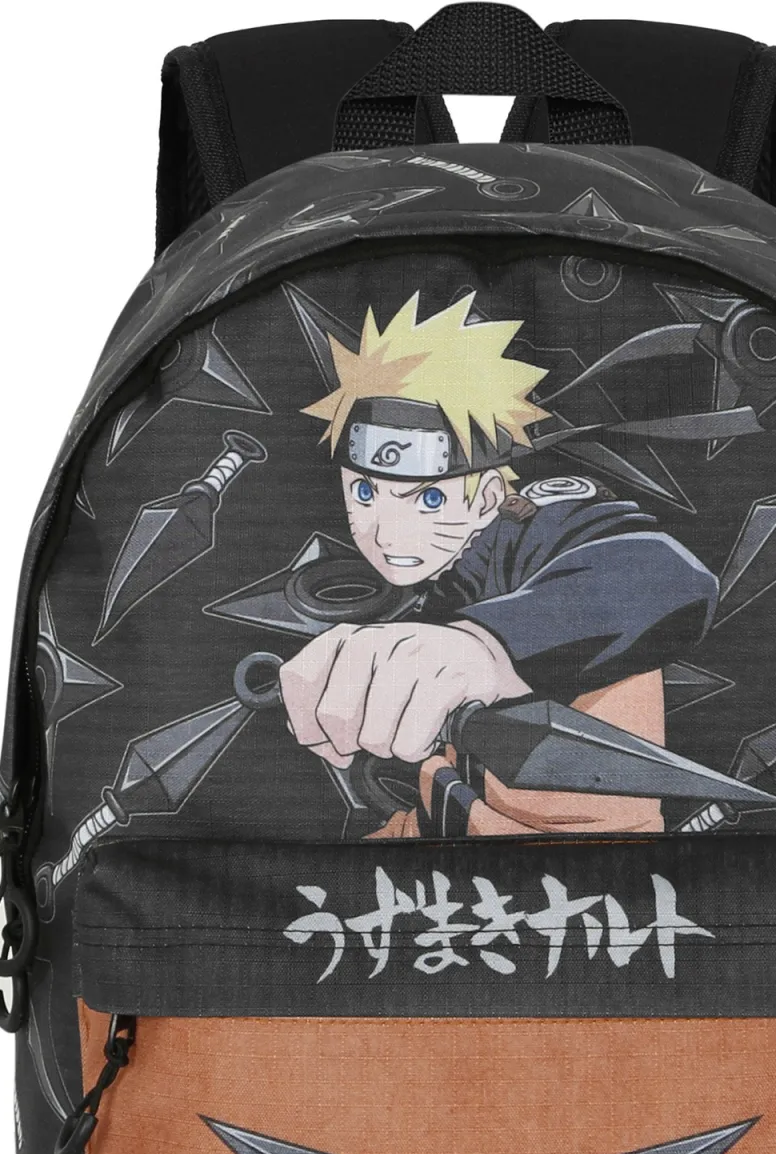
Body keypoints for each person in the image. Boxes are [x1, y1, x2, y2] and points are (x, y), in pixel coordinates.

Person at [280, 291, 718, 836]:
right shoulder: (441, 582)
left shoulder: (537, 524)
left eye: (430, 498)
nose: (386, 531)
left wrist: (483, 648)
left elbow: (663, 576)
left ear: (488, 496)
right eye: (365, 492)